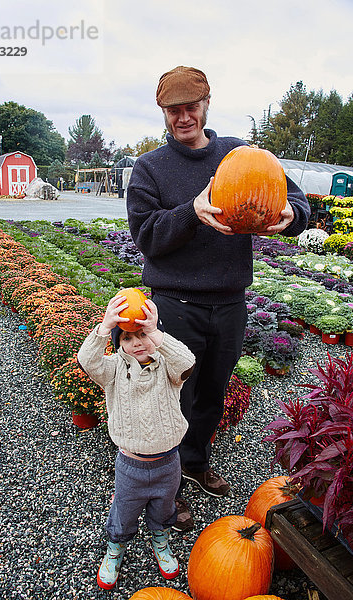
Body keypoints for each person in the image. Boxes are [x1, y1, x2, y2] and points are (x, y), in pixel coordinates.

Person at [126, 65, 311, 532]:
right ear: (163, 113)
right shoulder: (150, 168)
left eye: (191, 107)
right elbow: (147, 237)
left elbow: (296, 201)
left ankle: (195, 460)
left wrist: (292, 215)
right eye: (174, 110)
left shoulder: (240, 154)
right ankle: (168, 490)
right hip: (175, 306)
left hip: (229, 303)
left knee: (211, 393)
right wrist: (191, 212)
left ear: (207, 105)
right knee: (172, 399)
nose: (183, 117)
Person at [77, 293, 195, 590]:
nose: (137, 342)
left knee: (163, 507)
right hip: (130, 465)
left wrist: (157, 332)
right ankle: (115, 547)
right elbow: (86, 361)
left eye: (143, 335)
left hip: (168, 463)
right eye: (128, 338)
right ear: (119, 345)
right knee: (125, 510)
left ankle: (161, 540)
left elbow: (187, 361)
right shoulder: (113, 369)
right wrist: (105, 327)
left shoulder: (168, 368)